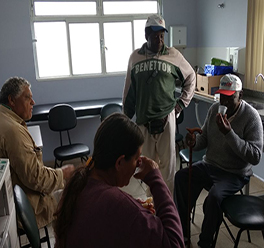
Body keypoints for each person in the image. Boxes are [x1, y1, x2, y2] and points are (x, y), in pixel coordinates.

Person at [54, 113, 185, 248]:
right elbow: (174, 243)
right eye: (137, 158)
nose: (139, 162)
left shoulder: (79, 185)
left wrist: (133, 211)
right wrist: (155, 178)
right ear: (120, 162)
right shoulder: (121, 206)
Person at [174, 74, 263, 248]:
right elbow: (204, 140)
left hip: (234, 173)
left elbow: (255, 156)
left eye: (230, 97)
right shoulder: (215, 109)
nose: (225, 102)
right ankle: (182, 232)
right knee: (181, 177)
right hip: (210, 164)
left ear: (241, 95)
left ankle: (205, 242)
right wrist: (193, 142)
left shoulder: (251, 117)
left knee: (213, 198)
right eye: (222, 96)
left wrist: (229, 134)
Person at [122, 14, 196, 194]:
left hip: (166, 118)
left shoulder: (173, 55)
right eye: (155, 34)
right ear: (147, 34)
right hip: (143, 120)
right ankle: (151, 203)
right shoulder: (135, 57)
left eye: (162, 34)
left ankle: (167, 205)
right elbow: (128, 88)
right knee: (146, 164)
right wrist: (126, 116)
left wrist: (180, 105)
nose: (159, 38)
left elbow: (191, 77)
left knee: (168, 165)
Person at [0, 77, 75, 228]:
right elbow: (35, 177)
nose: (33, 103)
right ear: (11, 101)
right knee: (77, 196)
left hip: (16, 197)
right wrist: (62, 174)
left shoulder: (5, 119)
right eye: (27, 98)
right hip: (27, 204)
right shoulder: (13, 132)